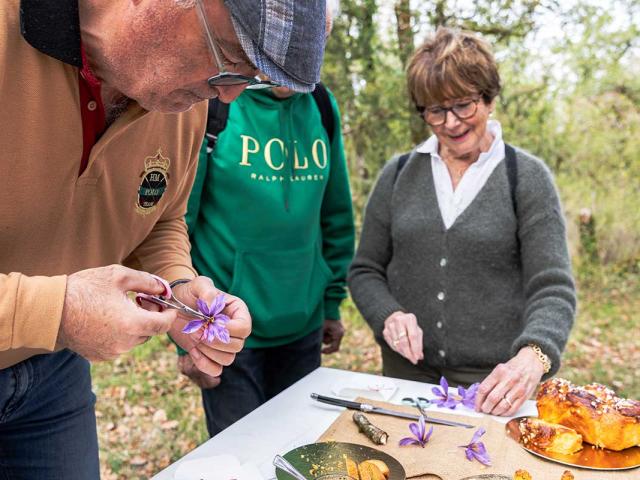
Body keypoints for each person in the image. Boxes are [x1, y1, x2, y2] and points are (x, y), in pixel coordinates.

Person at [0, 0, 328, 478]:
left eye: (251, 77)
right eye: (233, 58)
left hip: (52, 373)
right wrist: (59, 310)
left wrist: (178, 286)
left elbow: (160, 215)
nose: (231, 96)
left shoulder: (184, 105)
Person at [348, 27, 576, 418]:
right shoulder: (399, 174)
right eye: (435, 110)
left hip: (494, 390)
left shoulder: (526, 178)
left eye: (463, 105)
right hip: (406, 383)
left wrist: (534, 356)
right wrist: (388, 314)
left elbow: (553, 288)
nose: (451, 123)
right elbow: (365, 271)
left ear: (488, 98)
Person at [179, 3, 355, 436]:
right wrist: (187, 331)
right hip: (230, 331)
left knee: (302, 450)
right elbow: (177, 223)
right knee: (244, 459)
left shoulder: (322, 106)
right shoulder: (219, 103)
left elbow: (335, 213)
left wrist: (331, 301)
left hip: (303, 324)